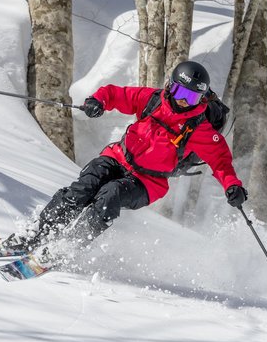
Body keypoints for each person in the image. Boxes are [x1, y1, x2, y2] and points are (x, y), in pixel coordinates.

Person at [17, 60, 248, 249]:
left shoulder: (199, 127)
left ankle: (69, 245)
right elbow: (117, 94)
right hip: (118, 157)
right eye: (180, 92)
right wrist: (98, 101)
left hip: (148, 182)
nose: (183, 102)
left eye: (192, 98)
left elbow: (221, 161)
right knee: (84, 188)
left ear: (202, 99)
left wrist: (232, 185)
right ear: (171, 86)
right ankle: (40, 232)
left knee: (110, 195)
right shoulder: (153, 100)